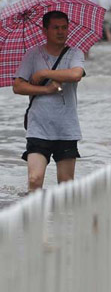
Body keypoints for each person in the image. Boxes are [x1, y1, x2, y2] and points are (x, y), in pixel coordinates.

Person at [12, 11, 86, 192]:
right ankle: (34, 218)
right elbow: (18, 86)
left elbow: (76, 74)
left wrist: (44, 73)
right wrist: (45, 89)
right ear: (44, 31)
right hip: (38, 126)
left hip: (66, 127)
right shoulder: (33, 54)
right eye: (55, 28)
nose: (61, 32)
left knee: (66, 185)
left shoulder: (75, 53)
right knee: (34, 179)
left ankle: (62, 220)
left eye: (64, 27)